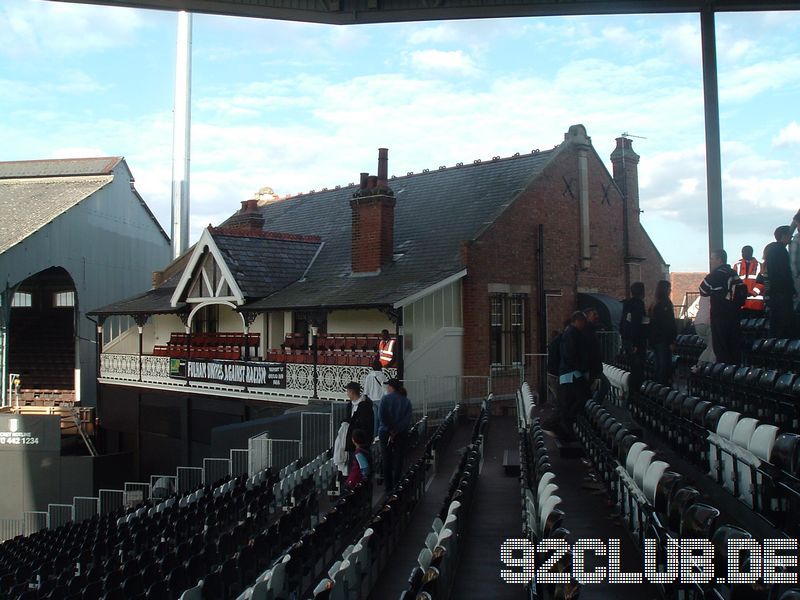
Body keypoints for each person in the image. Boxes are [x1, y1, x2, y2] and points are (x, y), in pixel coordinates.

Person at [546, 311, 590, 442]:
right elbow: (572, 354)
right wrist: (582, 369)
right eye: (583, 321)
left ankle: (562, 427)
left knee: (567, 403)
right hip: (572, 373)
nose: (584, 324)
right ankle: (558, 425)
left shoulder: (568, 333)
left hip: (568, 373)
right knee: (580, 399)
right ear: (577, 320)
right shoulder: (572, 334)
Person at [699, 249, 747, 365]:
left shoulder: (714, 275)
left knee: (721, 349)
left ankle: (724, 375)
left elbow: (703, 290)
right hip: (735, 316)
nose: (711, 262)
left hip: (719, 316)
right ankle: (735, 373)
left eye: (712, 259)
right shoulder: (733, 274)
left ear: (719, 259)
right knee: (734, 348)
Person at [378, 378, 412, 490]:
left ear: (391, 387)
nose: (387, 388)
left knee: (386, 459)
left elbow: (382, 416)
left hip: (385, 433)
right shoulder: (406, 401)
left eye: (388, 386)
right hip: (401, 433)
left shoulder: (385, 399)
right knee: (399, 458)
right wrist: (396, 430)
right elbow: (407, 420)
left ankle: (388, 487)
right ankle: (397, 484)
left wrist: (390, 429)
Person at [765, 226, 795, 339]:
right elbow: (785, 272)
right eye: (789, 235)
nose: (791, 238)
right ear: (784, 235)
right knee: (785, 324)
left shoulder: (772, 251)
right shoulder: (781, 251)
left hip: (774, 294)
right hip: (782, 294)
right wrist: (792, 289)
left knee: (776, 324)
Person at [620, 282, 648, 403]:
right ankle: (635, 395)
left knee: (633, 368)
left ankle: (632, 395)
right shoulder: (638, 304)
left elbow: (624, 323)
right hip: (636, 342)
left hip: (627, 340)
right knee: (638, 370)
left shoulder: (627, 304)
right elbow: (637, 324)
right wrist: (636, 344)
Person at [649, 280, 677, 385]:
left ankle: (657, 388)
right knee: (664, 366)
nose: (670, 290)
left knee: (658, 366)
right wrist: (672, 341)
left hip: (655, 339)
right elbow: (668, 324)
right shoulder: (666, 303)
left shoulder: (654, 304)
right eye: (669, 288)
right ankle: (663, 388)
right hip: (664, 340)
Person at [583, 308, 608, 403]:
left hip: (594, 367)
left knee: (598, 387)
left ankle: (593, 407)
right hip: (591, 368)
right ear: (587, 316)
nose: (597, 316)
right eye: (594, 314)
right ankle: (593, 407)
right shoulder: (587, 330)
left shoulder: (590, 329)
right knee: (604, 386)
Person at [734, 245, 765, 316]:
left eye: (746, 252)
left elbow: (762, 283)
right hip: (741, 305)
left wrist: (753, 293)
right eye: (742, 252)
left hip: (756, 304)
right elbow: (734, 283)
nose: (743, 254)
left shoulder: (760, 266)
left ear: (751, 253)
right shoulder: (737, 266)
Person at [344, 382, 374, 454]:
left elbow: (366, 424)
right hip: (352, 440)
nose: (347, 394)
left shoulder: (365, 405)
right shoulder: (350, 405)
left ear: (352, 392)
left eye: (348, 391)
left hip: (361, 441)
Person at [363, 358, 388, 433]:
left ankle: (375, 436)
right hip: (380, 399)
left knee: (375, 420)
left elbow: (366, 391)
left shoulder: (369, 376)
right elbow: (386, 389)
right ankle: (380, 436)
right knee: (381, 419)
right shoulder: (382, 376)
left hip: (372, 400)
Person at [693, 294, 716, 368]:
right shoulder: (714, 295)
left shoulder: (704, 295)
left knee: (710, 347)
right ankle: (708, 368)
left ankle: (700, 367)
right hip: (708, 322)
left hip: (698, 323)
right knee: (713, 348)